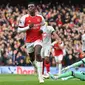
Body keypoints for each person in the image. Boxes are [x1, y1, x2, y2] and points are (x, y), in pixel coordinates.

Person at [17, 2, 46, 83]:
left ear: (35, 8)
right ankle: (36, 68)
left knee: (37, 54)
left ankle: (40, 77)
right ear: (27, 9)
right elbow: (18, 30)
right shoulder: (24, 18)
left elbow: (44, 25)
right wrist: (27, 27)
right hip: (29, 41)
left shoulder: (40, 17)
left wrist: (42, 30)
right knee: (32, 58)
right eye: (29, 7)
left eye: (32, 6)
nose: (30, 8)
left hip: (38, 39)